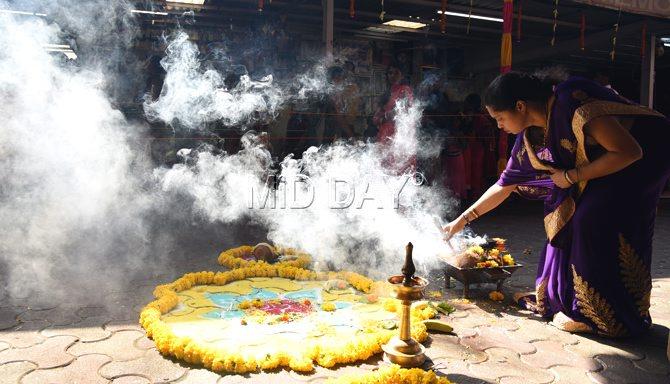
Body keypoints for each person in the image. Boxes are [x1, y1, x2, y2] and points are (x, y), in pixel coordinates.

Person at [443, 71, 670, 337]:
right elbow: (504, 186)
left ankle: (603, 316)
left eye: (500, 118)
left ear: (520, 106)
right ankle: (565, 298)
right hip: (610, 160)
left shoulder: (570, 103)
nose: (498, 126)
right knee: (565, 215)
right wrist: (459, 222)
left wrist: (571, 176)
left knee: (591, 216)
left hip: (645, 153)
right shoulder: (530, 138)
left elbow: (629, 151)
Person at [373, 65, 415, 172]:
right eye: (390, 73)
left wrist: (386, 116)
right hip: (385, 135)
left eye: (396, 72)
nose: (392, 75)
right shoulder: (385, 93)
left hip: (400, 134)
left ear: (402, 75)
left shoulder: (405, 90)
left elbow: (405, 110)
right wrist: (384, 117)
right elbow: (375, 118)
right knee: (385, 169)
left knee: (400, 167)